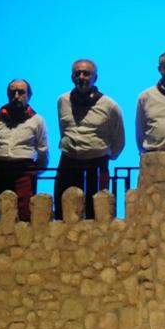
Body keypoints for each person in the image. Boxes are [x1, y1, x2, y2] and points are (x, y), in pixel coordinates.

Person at [55, 59, 125, 220]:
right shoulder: (62, 101)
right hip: (68, 162)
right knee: (63, 213)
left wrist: (103, 153)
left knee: (97, 214)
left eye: (86, 73)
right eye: (77, 73)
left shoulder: (110, 106)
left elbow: (119, 139)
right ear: (72, 77)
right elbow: (63, 130)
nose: (81, 77)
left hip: (97, 164)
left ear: (95, 78)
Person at [0, 79, 48, 221]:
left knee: (25, 214)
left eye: (21, 92)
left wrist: (33, 171)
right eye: (13, 93)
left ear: (29, 95)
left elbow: (43, 151)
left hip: (24, 173)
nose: (16, 96)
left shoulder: (37, 120)